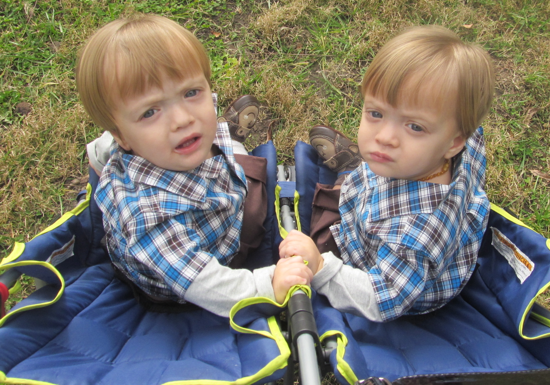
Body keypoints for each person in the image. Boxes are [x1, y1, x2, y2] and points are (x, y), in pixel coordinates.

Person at [76, 14, 312, 315]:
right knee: (252, 181)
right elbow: (209, 285)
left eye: (191, 93)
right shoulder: (149, 217)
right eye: (150, 112)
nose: (182, 119)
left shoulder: (168, 143)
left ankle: (226, 134)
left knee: (215, 140)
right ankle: (229, 139)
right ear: (122, 136)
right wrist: (267, 284)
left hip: (216, 198)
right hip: (198, 273)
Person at [278, 25, 495, 322]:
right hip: (386, 197)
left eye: (414, 126)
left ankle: (347, 170)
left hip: (388, 279)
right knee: (372, 166)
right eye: (376, 114)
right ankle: (352, 167)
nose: (385, 137)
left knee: (304, 241)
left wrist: (320, 266)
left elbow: (381, 299)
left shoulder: (416, 234)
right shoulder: (441, 151)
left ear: (454, 142)